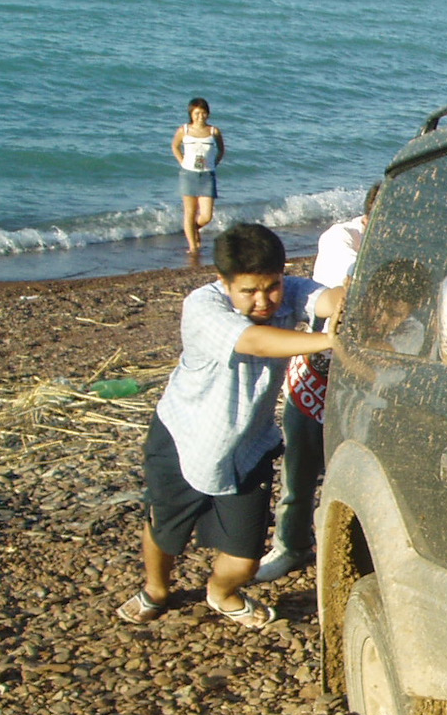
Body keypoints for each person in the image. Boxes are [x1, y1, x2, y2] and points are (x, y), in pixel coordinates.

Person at [119, 222, 342, 630]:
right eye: (249, 291)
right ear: (224, 282)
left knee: (244, 559)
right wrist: (330, 342)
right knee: (165, 530)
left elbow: (327, 299)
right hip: (185, 436)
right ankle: (156, 589)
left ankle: (221, 592)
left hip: (248, 444)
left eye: (271, 286)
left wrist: (353, 295)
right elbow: (256, 341)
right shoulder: (202, 307)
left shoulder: (287, 290)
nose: (263, 300)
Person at [258, 182, 381, 583]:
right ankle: (290, 547)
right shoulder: (341, 239)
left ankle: (354, 555)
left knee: (359, 472)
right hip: (317, 376)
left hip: (368, 379)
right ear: (368, 219)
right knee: (299, 472)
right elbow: (344, 292)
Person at [172, 97, 225, 256]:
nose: (200, 116)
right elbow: (175, 146)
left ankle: (192, 229)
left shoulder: (213, 131)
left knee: (207, 215)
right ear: (191, 114)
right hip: (188, 174)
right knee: (190, 212)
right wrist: (182, 161)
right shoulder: (184, 130)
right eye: (196, 113)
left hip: (207, 175)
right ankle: (193, 246)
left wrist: (214, 163)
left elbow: (221, 150)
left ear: (207, 114)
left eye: (203, 113)